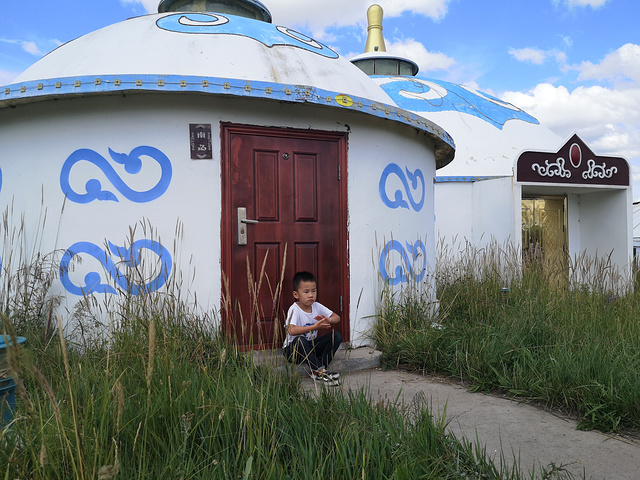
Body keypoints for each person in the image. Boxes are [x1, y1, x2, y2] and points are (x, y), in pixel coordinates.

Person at [282, 271, 342, 385]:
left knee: (336, 336)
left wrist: (329, 320)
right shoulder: (294, 309)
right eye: (306, 292)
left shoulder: (316, 306)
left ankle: (320, 370)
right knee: (300, 340)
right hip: (294, 351)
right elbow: (291, 330)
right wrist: (315, 327)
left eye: (314, 291)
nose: (311, 295)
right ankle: (320, 370)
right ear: (296, 294)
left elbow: (337, 317)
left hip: (310, 348)